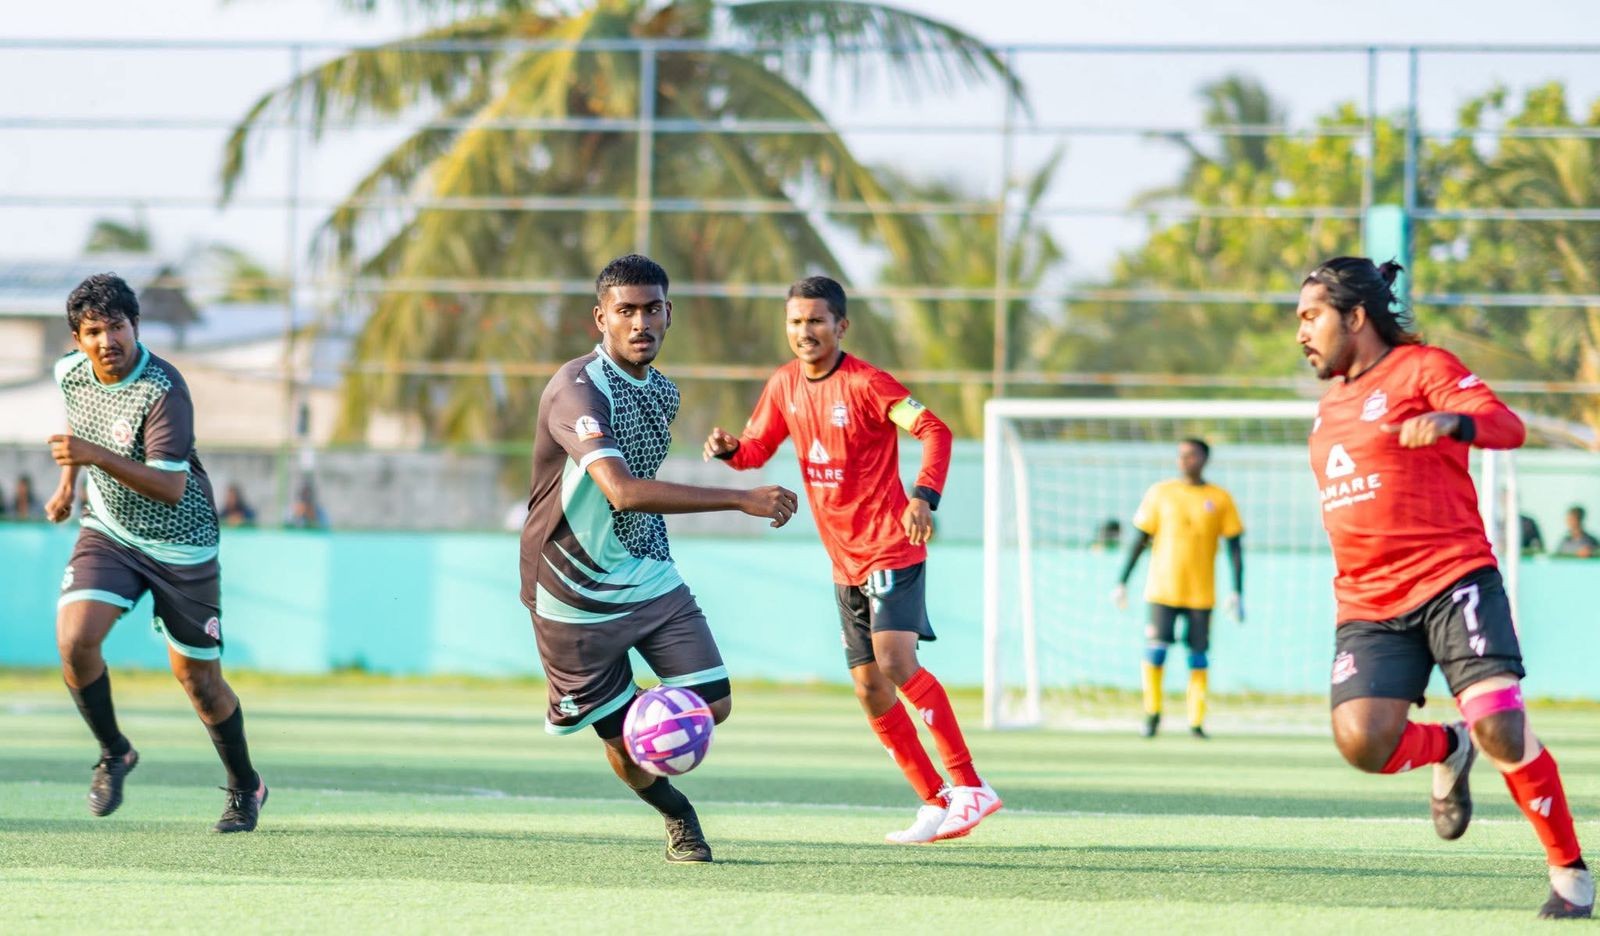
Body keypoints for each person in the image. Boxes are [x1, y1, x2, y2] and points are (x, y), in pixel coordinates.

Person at [1297, 256, 1590, 919]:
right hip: (1368, 604)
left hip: (1452, 579)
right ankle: (1450, 746)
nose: (1302, 332)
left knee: (1501, 726)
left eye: (1312, 316)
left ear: (1356, 317)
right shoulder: (1328, 407)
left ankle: (1569, 870)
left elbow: (1506, 425)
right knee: (1363, 744)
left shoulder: (1423, 368)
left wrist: (1456, 423)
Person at [520, 254, 797, 864]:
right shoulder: (576, 390)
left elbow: (636, 495)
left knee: (713, 702)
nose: (640, 322)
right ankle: (679, 817)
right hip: (571, 589)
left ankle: (637, 708)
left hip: (644, 569)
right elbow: (620, 489)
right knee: (627, 743)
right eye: (625, 311)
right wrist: (739, 498)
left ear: (669, 314)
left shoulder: (663, 392)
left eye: (651, 309)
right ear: (601, 318)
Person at [704, 275, 1000, 845]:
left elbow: (935, 430)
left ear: (841, 326)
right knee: (869, 687)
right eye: (795, 321)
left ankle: (969, 785)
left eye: (816, 320)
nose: (805, 331)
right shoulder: (784, 384)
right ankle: (936, 800)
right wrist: (730, 451)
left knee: (894, 661)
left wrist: (923, 498)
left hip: (891, 543)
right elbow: (757, 449)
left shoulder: (867, 383)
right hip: (844, 562)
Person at [45, 273, 266, 832]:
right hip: (110, 531)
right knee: (74, 639)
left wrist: (92, 456)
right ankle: (114, 752)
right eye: (93, 332)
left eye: (116, 327)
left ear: (136, 326)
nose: (107, 341)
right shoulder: (69, 373)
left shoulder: (163, 388)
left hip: (181, 545)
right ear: (77, 340)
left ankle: (246, 786)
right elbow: (78, 423)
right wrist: (68, 486)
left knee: (199, 682)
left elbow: (169, 486)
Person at [1112, 439, 1243, 740]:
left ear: (1205, 459)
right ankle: (1152, 714)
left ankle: (1196, 722)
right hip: (1162, 590)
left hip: (1201, 594)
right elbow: (1140, 539)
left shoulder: (1219, 498)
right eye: (1181, 455)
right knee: (1156, 652)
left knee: (1198, 657)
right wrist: (1122, 581)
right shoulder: (1160, 493)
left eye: (1192, 455)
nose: (1185, 460)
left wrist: (1237, 590)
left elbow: (1235, 547)